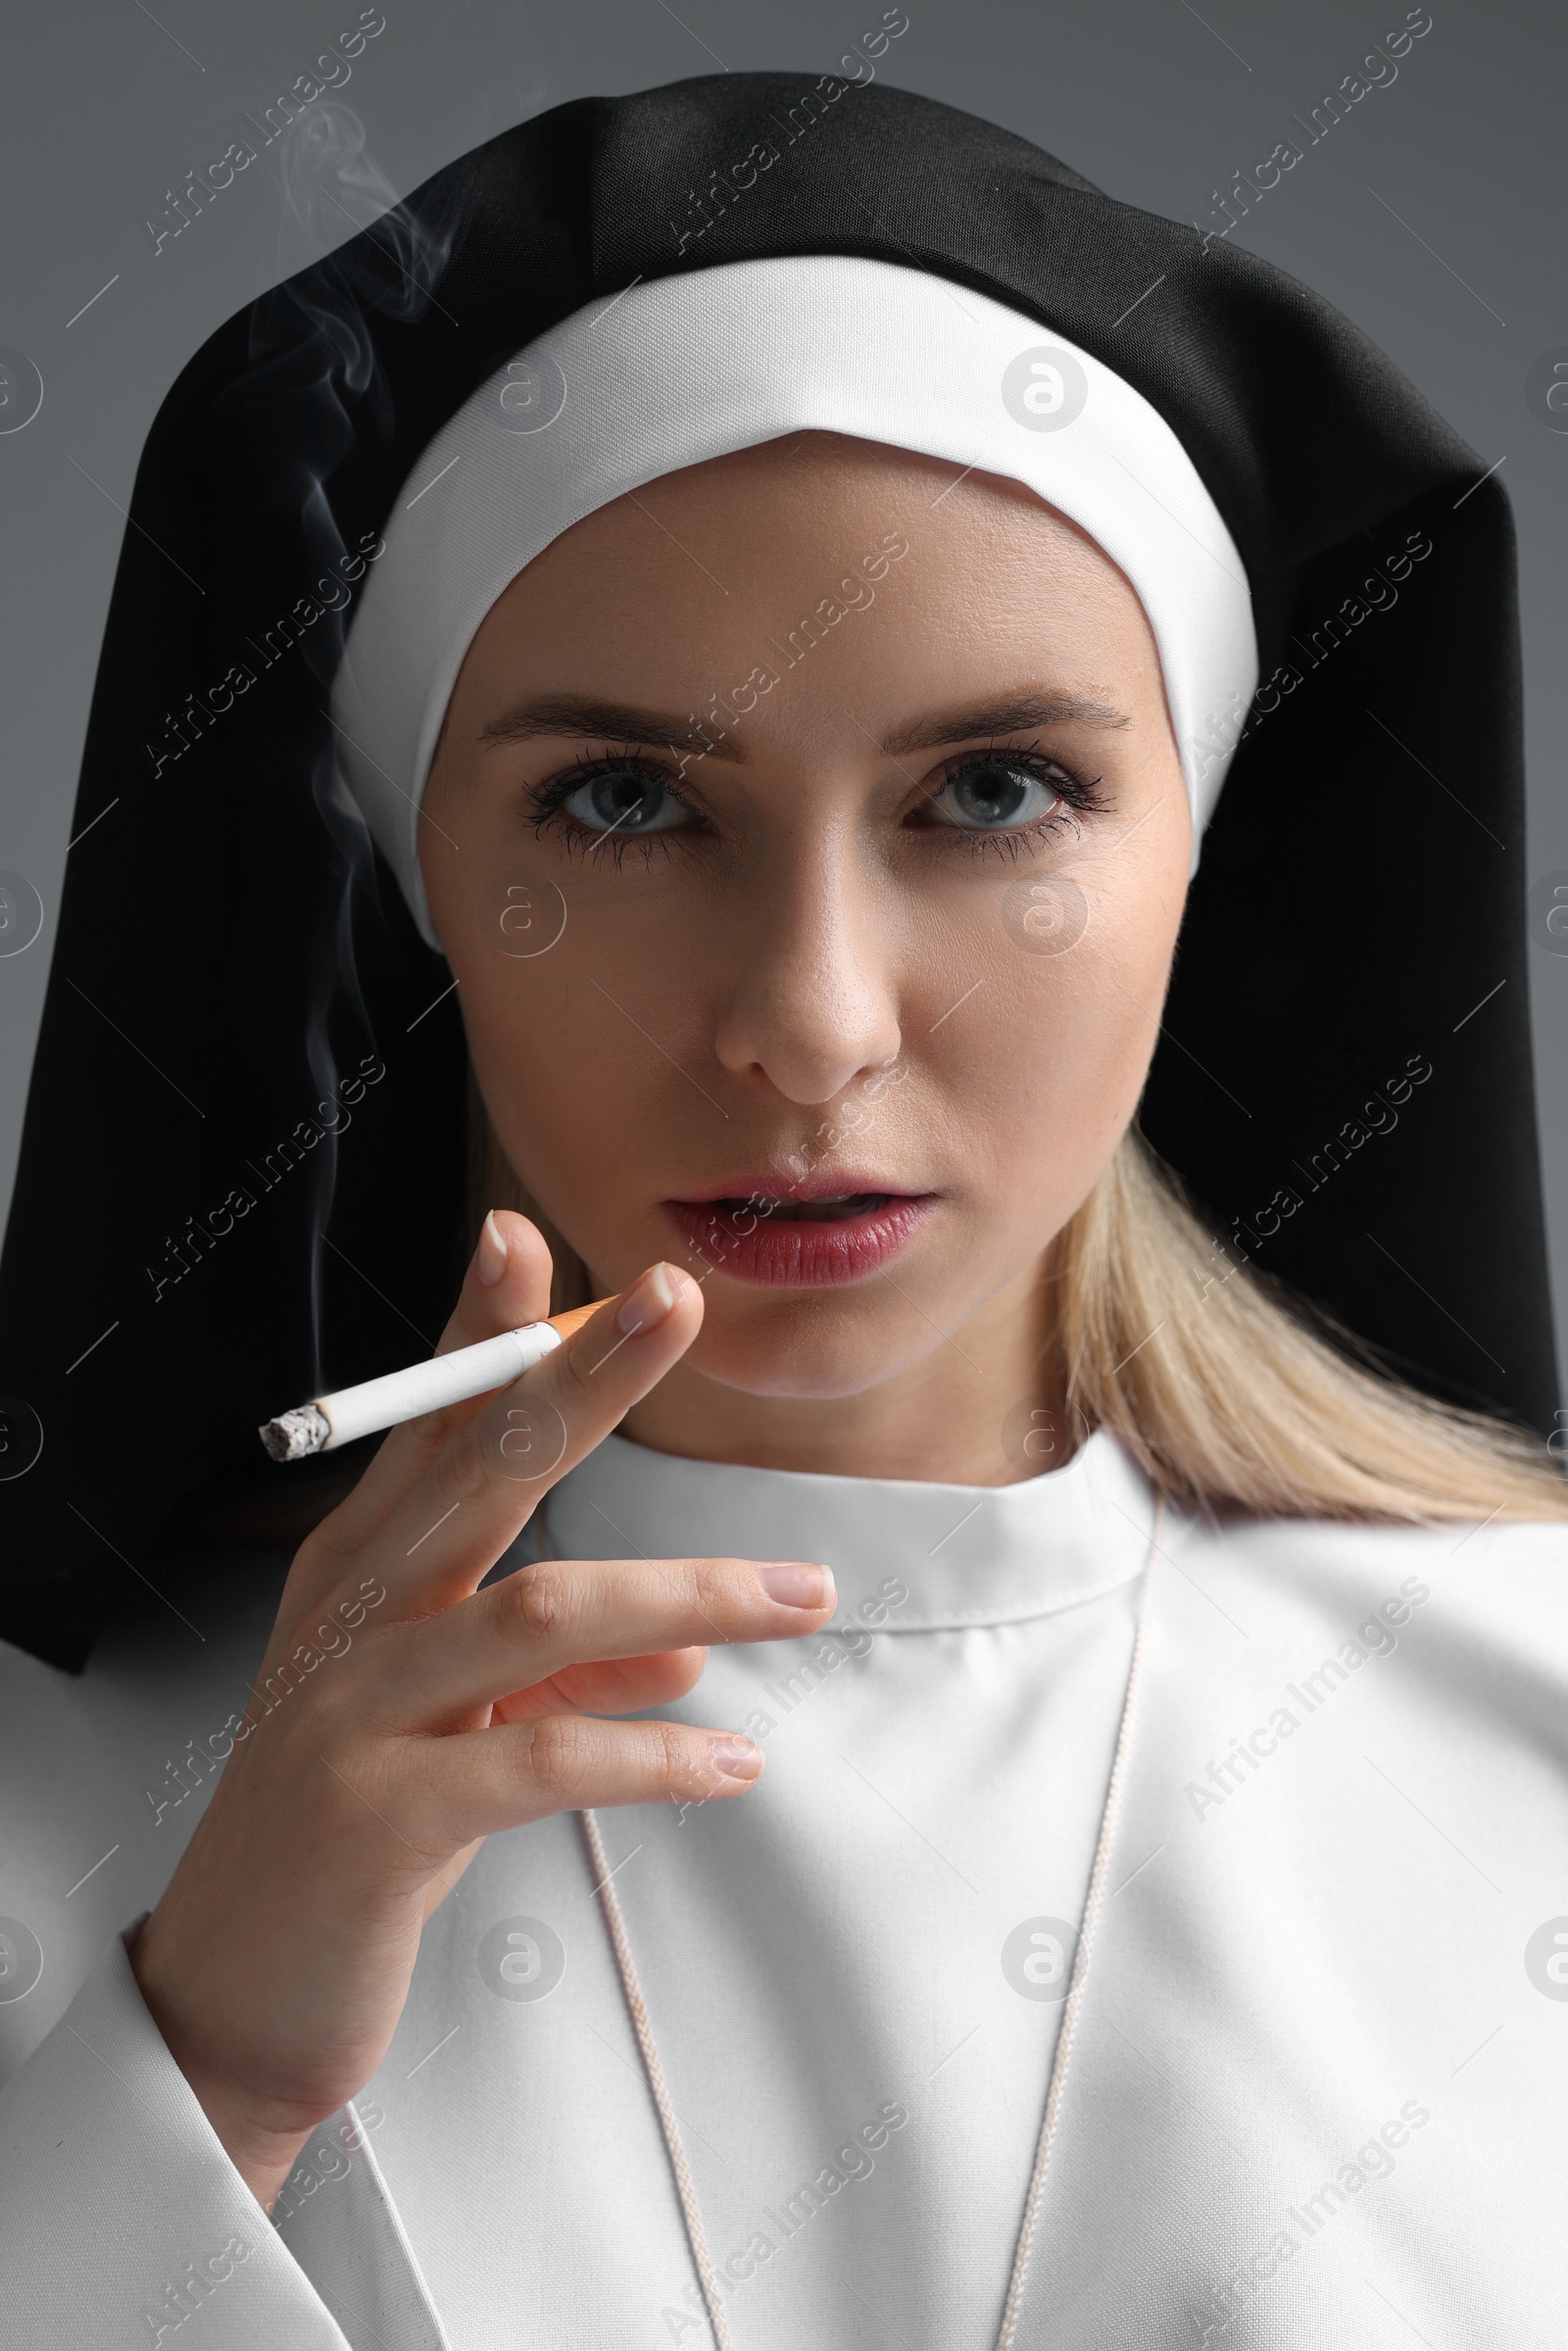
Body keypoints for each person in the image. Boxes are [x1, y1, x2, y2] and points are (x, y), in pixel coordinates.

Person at [1, 67, 1564, 2351]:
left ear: (1200, 851)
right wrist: (198, 2082)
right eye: (623, 801)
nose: (810, 1026)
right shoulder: (55, 1780)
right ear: (415, 866)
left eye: (997, 791)